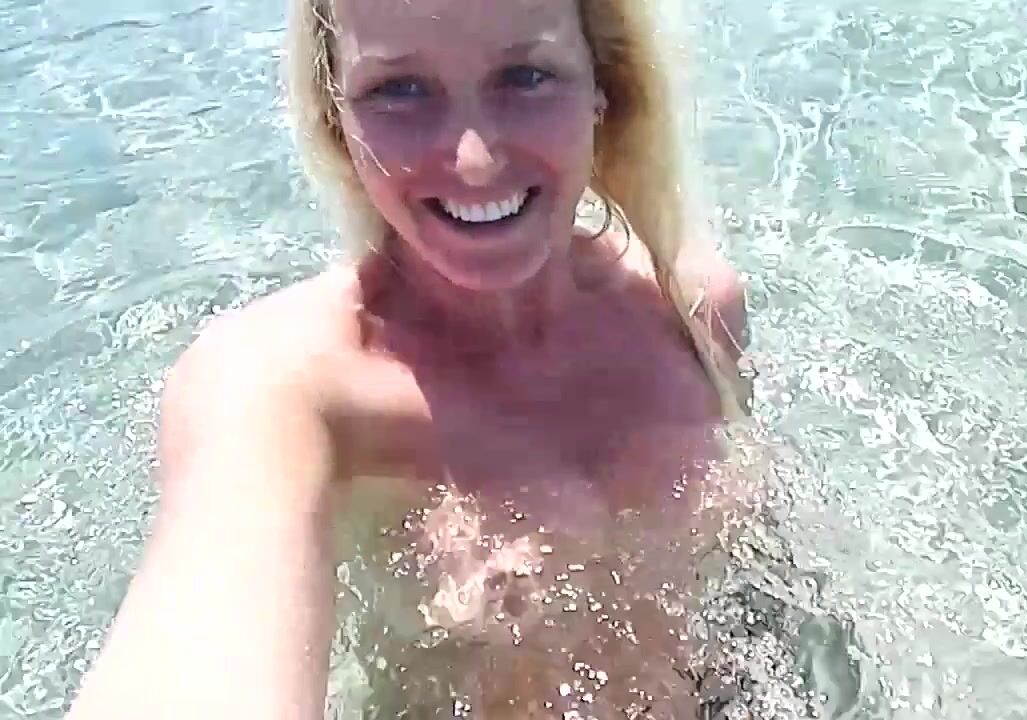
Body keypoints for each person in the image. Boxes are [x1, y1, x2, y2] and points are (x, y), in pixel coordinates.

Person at [66, 0, 753, 718]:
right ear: (337, 121)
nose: (474, 160)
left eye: (526, 76)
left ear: (603, 88)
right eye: (398, 89)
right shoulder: (284, 390)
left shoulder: (693, 312)